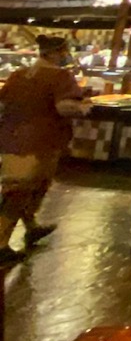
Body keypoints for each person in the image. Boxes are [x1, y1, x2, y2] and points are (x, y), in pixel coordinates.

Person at [0, 35, 91, 265]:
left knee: (29, 187)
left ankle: (31, 227)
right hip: (41, 142)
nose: (66, 55)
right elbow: (64, 107)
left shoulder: (18, 75)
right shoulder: (60, 77)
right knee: (20, 191)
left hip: (11, 139)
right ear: (53, 53)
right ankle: (0, 244)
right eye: (63, 51)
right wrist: (83, 107)